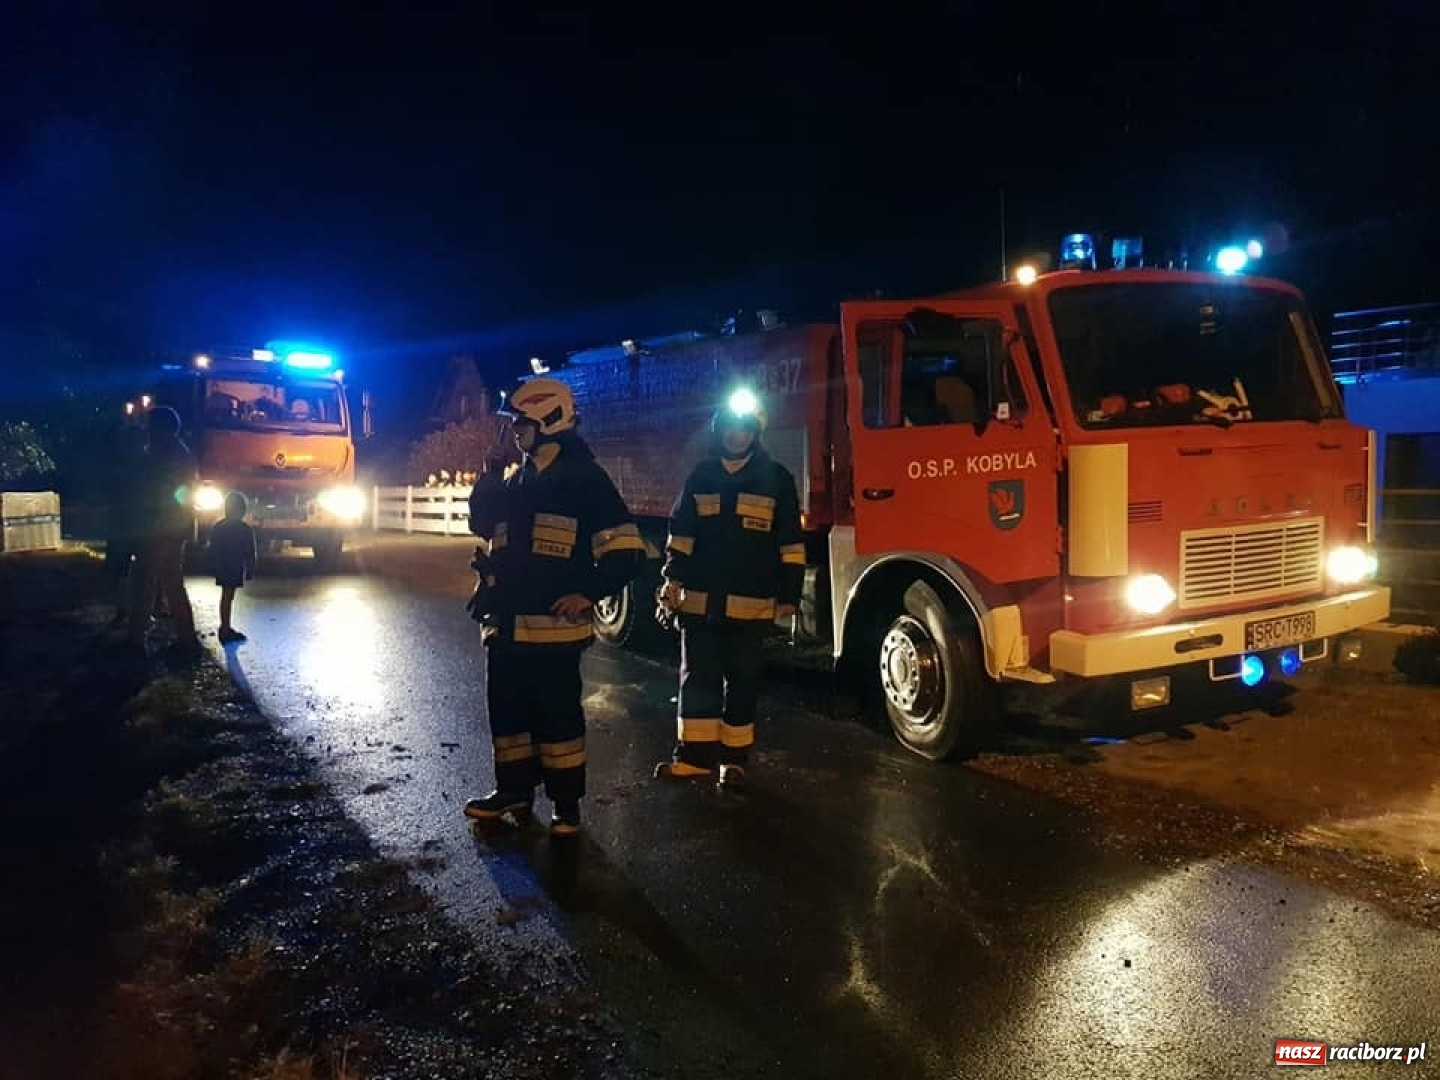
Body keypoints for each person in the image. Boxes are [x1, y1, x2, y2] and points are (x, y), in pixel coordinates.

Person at [463, 377, 644, 837]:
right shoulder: (516, 477)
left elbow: (626, 551)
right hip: (506, 625)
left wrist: (589, 592)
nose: (512, 434)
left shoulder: (585, 480)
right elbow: (481, 523)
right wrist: (489, 475)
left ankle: (566, 806)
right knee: (508, 717)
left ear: (548, 422)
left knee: (558, 719)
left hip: (555, 633)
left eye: (519, 425)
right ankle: (514, 792)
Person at [654, 388, 805, 791]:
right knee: (697, 679)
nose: (737, 436)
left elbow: (790, 543)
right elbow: (681, 535)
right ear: (719, 431)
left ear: (754, 433)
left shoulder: (776, 479)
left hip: (750, 605)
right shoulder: (701, 476)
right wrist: (672, 578)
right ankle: (693, 759)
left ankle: (733, 761)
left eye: (744, 429)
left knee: (742, 682)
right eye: (731, 429)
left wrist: (789, 596)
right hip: (699, 602)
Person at [127, 406, 200, 660]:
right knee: (171, 583)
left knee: (145, 582)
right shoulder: (181, 454)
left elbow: (151, 490)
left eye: (151, 428)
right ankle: (186, 639)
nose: (148, 432)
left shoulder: (163, 456)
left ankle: (136, 640)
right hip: (173, 528)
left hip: (160, 527)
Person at [208, 491, 257, 643]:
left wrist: (212, 565)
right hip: (235, 566)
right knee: (228, 596)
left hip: (223, 566)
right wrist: (250, 569)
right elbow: (250, 552)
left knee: (226, 596)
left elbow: (212, 548)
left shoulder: (219, 526)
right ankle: (225, 628)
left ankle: (225, 626)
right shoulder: (245, 529)